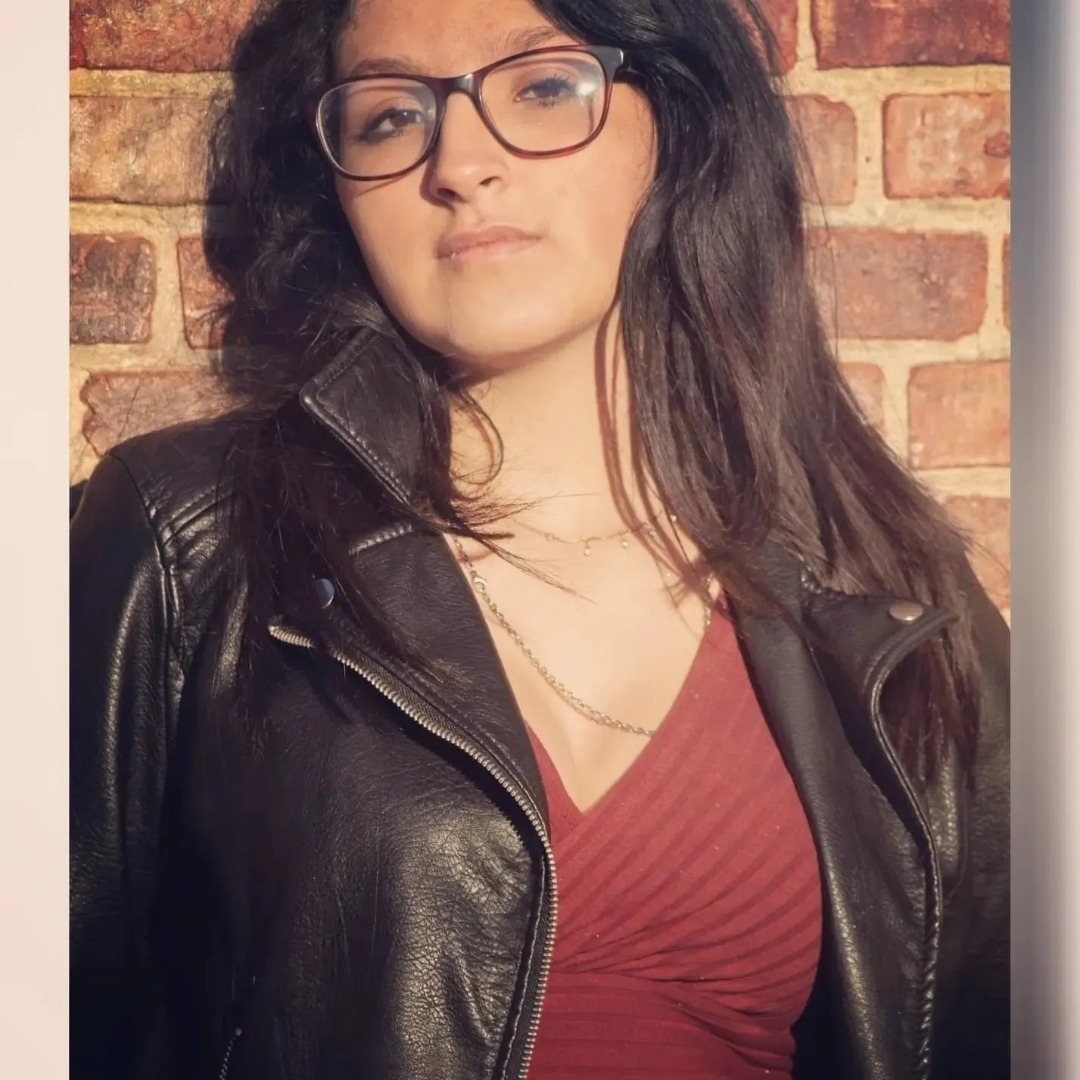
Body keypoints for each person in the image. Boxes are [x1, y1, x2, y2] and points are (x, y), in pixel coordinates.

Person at [69, 0, 1009, 1077]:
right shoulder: (191, 536)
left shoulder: (888, 597)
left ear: (677, 126)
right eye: (390, 116)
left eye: (545, 87)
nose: (460, 164)